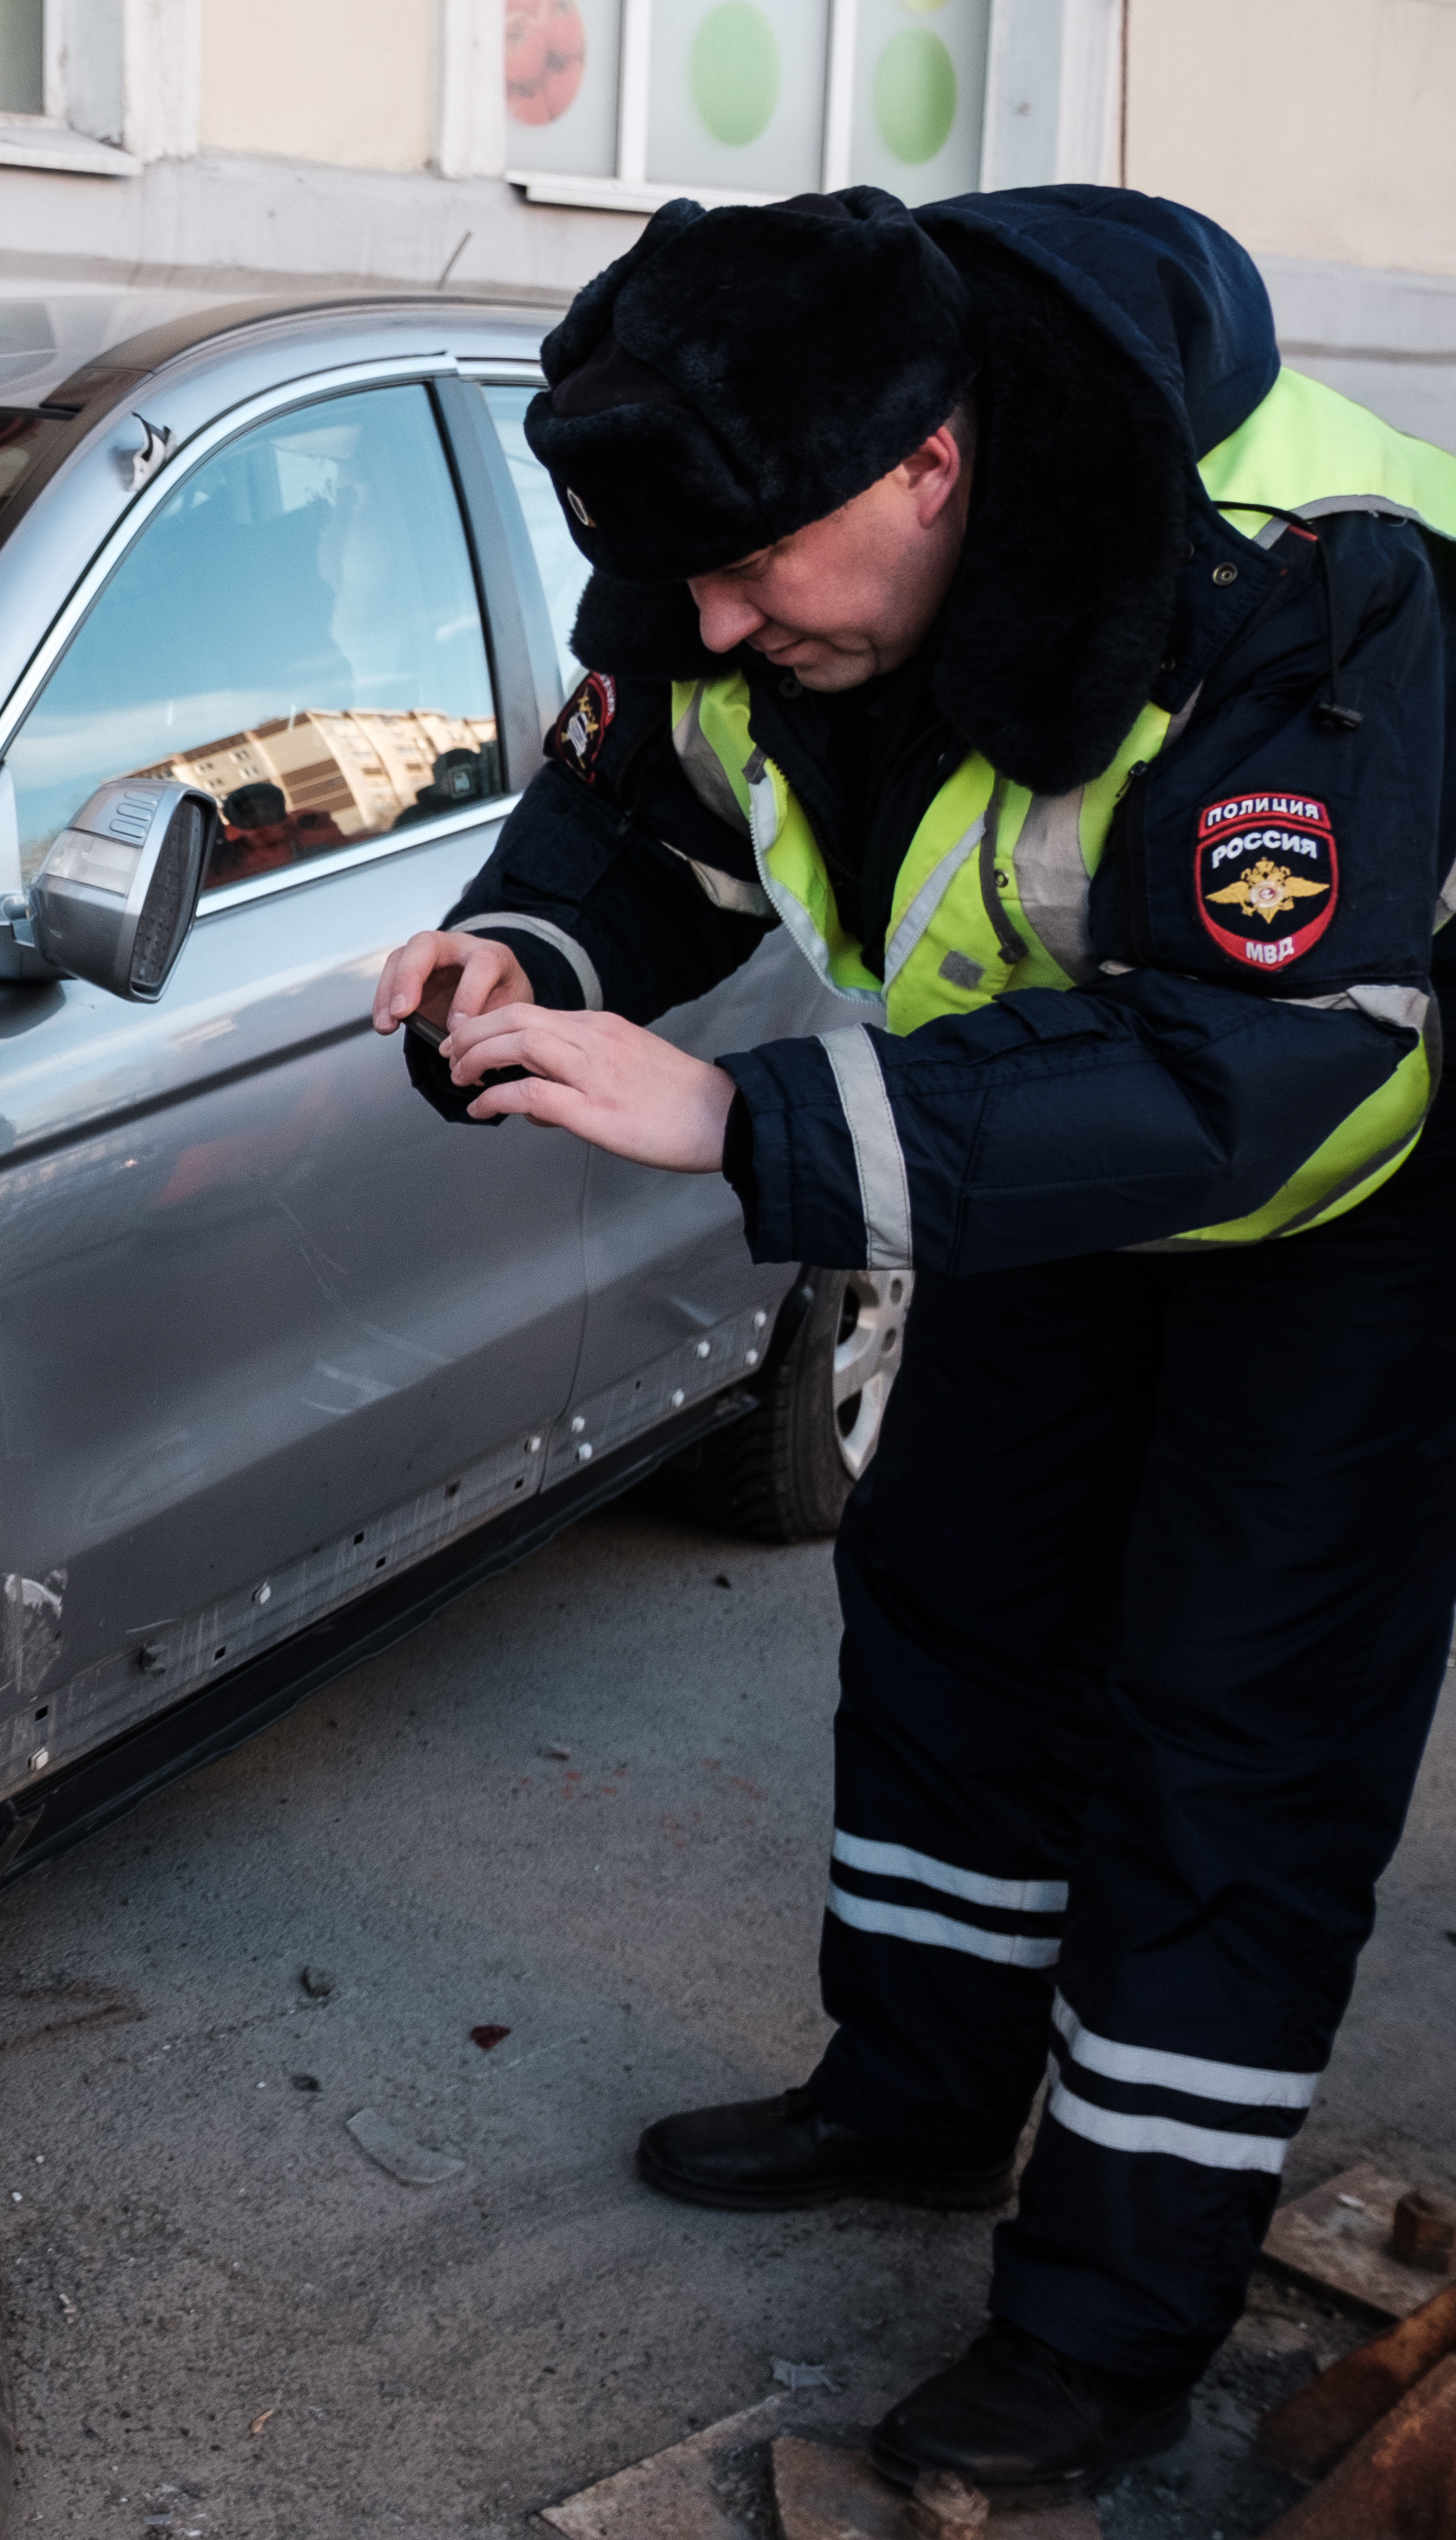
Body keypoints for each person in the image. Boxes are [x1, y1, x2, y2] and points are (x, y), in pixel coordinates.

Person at [372, 185, 1456, 2500]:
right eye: (689, 594)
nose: (719, 633)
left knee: (1230, 1734)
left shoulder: (1303, 575)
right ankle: (922, 2097)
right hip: (1027, 1148)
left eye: (760, 580)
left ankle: (1103, 2321)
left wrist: (742, 1118)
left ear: (934, 464)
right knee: (958, 1613)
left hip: (1360, 1194)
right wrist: (525, 961)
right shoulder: (731, 560)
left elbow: (1263, 1073)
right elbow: (634, 826)